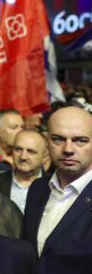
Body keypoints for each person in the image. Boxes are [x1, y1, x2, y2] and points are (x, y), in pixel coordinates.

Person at [24, 106, 92, 273]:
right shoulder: (37, 188)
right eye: (58, 139)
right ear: (47, 141)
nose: (68, 149)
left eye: (80, 140)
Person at [0, 130, 46, 213]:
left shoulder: (53, 186)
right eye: (18, 149)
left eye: (31, 151)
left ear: (44, 156)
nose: (23, 157)